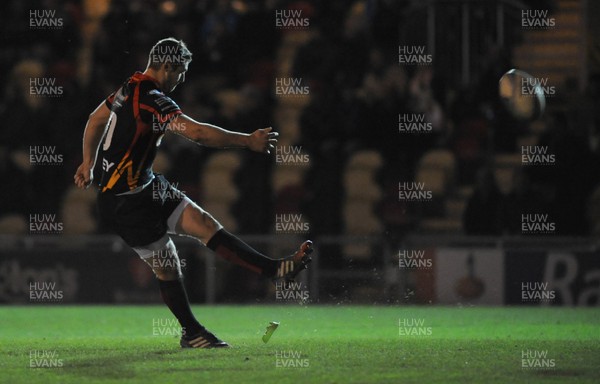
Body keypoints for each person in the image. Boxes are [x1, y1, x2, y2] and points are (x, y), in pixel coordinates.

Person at [74, 37, 313, 348]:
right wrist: (247, 141)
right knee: (168, 265)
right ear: (168, 66)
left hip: (147, 186)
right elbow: (198, 133)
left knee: (203, 224)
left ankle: (275, 270)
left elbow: (95, 120)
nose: (182, 78)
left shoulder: (129, 87)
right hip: (125, 204)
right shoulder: (152, 98)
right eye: (182, 71)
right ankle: (192, 332)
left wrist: (87, 162)